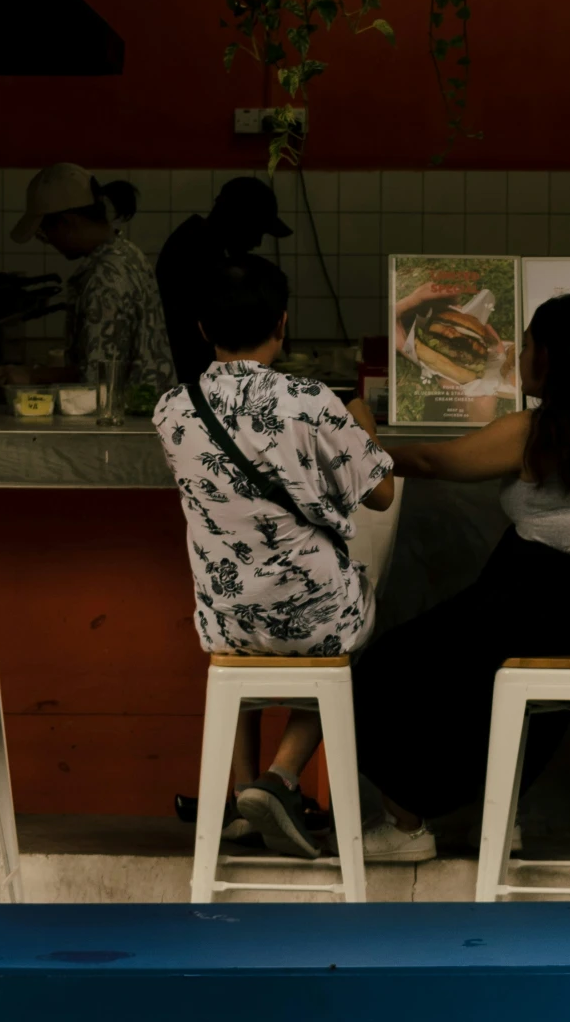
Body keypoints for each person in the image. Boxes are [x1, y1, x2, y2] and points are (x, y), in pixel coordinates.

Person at [353, 294, 570, 849]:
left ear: (554, 358)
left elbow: (434, 462)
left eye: (530, 345)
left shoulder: (536, 430)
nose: (519, 354)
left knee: (384, 670)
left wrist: (359, 436)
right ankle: (498, 814)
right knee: (489, 689)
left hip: (545, 596)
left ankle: (408, 825)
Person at [153, 252, 400, 861]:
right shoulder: (311, 401)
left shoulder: (171, 410)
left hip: (225, 620)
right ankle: (281, 777)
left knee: (244, 653)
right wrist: (362, 426)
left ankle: (241, 793)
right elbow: (382, 494)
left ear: (203, 330)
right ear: (283, 324)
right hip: (316, 614)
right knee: (355, 631)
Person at [10, 163, 174, 398]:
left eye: (45, 233)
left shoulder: (105, 279)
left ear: (68, 222)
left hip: (126, 420)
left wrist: (32, 376)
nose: (50, 242)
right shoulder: (127, 253)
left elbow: (98, 380)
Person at [157, 175, 294, 387]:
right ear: (239, 220)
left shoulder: (199, 242)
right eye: (257, 231)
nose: (257, 242)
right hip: (191, 379)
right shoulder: (197, 252)